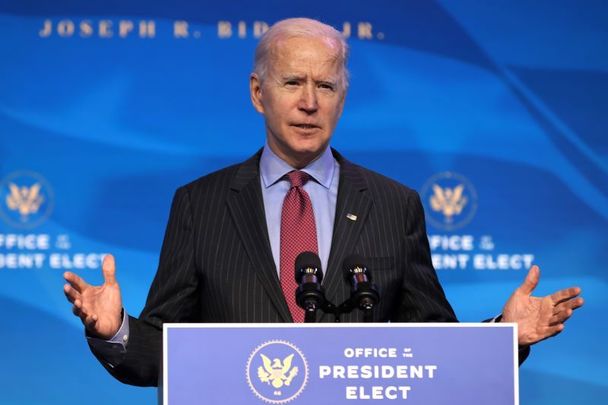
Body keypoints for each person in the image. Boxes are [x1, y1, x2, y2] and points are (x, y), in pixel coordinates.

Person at [63, 18, 584, 387]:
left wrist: (503, 336)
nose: (309, 102)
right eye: (292, 82)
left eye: (326, 85)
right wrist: (117, 330)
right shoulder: (200, 204)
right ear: (257, 92)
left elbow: (430, 351)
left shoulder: (393, 204)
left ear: (343, 97)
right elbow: (163, 355)